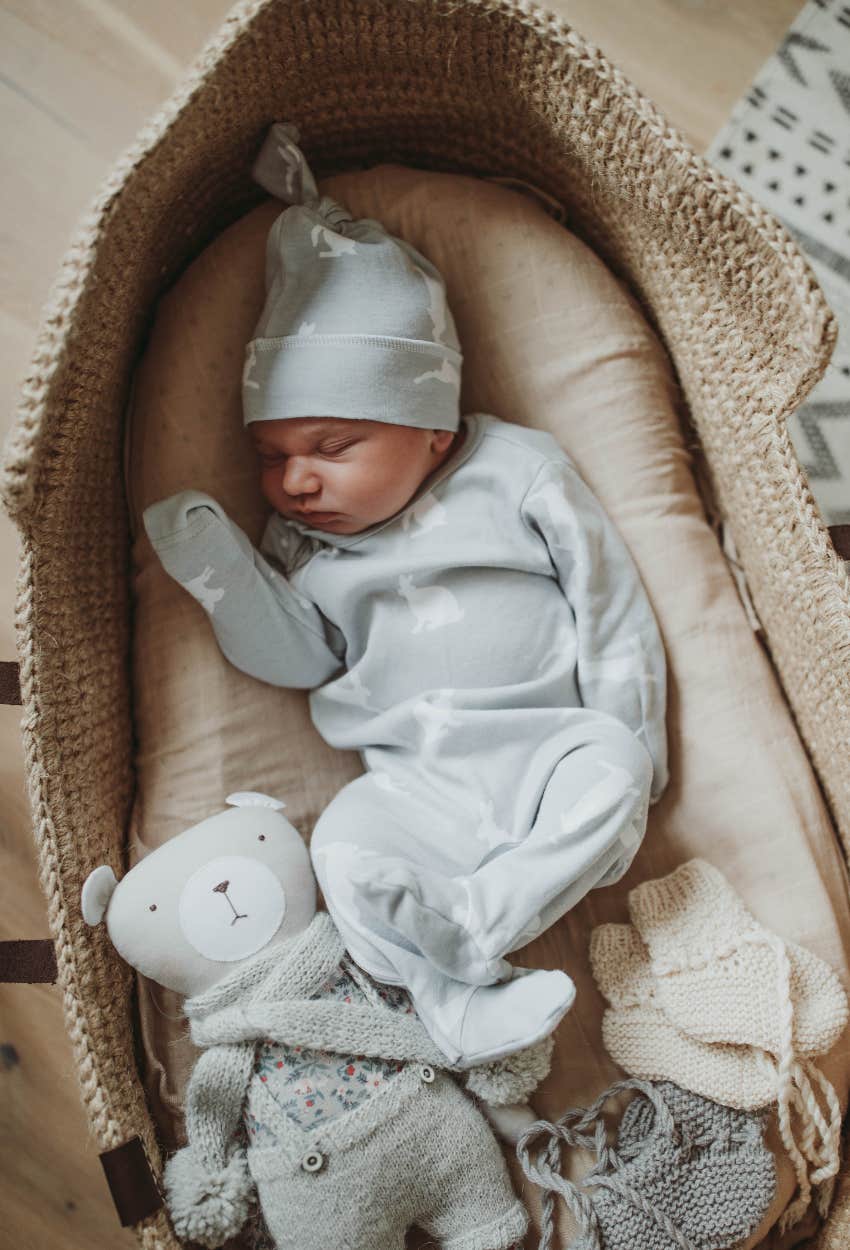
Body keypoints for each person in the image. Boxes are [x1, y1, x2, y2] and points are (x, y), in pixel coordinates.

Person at [143, 122, 668, 1067]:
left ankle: (469, 932)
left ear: (429, 426)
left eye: (331, 447)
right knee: (342, 853)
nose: (296, 479)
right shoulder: (300, 542)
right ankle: (451, 998)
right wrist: (228, 578)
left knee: (617, 774)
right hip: (413, 787)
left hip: (550, 745)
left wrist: (633, 727)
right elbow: (300, 658)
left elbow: (610, 595)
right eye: (271, 457)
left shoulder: (515, 471)